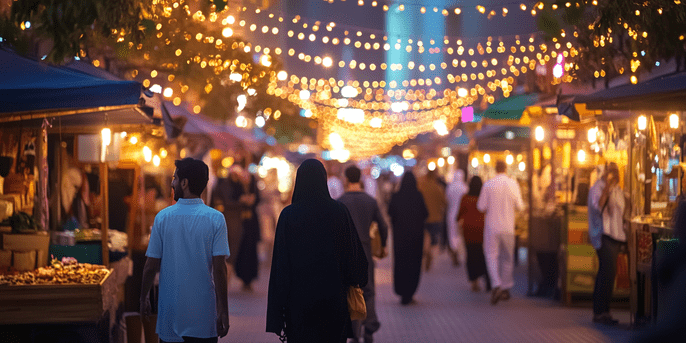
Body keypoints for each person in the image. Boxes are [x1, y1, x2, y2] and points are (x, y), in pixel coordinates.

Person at [266, 159, 368, 343]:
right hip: (333, 302)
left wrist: (277, 312)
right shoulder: (339, 212)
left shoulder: (288, 216)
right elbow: (354, 257)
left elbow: (280, 266)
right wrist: (357, 279)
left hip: (298, 306)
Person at [140, 158, 230, 343]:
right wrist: (223, 310)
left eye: (174, 178)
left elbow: (151, 266)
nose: (172, 184)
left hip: (170, 317)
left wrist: (143, 298)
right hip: (204, 317)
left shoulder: (163, 218)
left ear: (184, 182)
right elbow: (220, 269)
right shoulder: (216, 219)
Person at [338, 166, 389, 343]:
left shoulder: (340, 202)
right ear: (360, 179)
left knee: (349, 291)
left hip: (346, 253)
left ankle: (354, 331)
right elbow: (383, 225)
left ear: (346, 179)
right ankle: (370, 326)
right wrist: (383, 246)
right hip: (366, 251)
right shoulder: (370, 201)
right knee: (368, 291)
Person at [477, 160, 524, 305]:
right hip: (508, 228)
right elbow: (520, 206)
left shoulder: (488, 184)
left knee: (491, 256)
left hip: (492, 227)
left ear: (495, 169)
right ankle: (506, 287)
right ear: (506, 169)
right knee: (508, 258)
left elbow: (481, 206)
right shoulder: (513, 184)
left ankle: (496, 284)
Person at [588, 162, 626, 325]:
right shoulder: (598, 188)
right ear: (605, 173)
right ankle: (600, 312)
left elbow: (621, 210)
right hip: (604, 235)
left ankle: (603, 311)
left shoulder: (618, 189)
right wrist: (607, 187)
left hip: (616, 236)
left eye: (616, 171)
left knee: (608, 274)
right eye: (611, 171)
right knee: (607, 273)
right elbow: (599, 207)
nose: (614, 174)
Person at [388, 171, 429, 305]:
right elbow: (425, 214)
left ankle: (402, 292)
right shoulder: (418, 196)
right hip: (416, 238)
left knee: (401, 264)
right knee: (414, 265)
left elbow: (390, 213)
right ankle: (410, 293)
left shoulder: (396, 196)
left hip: (400, 238)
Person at [210, 165, 245, 286]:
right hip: (230, 221)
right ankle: (223, 283)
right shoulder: (227, 185)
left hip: (232, 220)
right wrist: (241, 201)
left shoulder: (236, 185)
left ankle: (224, 283)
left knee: (229, 253)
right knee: (228, 253)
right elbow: (226, 201)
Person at [458, 176, 491, 292]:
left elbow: (459, 213)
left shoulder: (465, 198)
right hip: (482, 230)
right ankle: (486, 279)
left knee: (471, 255)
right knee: (483, 254)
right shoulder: (484, 198)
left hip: (468, 231)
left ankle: (474, 281)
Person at [234, 168, 261, 292]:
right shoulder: (237, 187)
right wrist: (242, 200)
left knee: (251, 250)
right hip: (241, 222)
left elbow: (258, 199)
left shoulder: (253, 188)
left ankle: (250, 279)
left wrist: (252, 200)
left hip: (251, 224)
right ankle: (243, 278)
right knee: (242, 250)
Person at [417, 169, 448, 271]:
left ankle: (425, 250)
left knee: (425, 237)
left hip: (422, 218)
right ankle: (429, 251)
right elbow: (444, 202)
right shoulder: (438, 188)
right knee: (433, 239)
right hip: (435, 218)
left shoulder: (421, 187)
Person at [446, 169, 469, 266]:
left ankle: (454, 250)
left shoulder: (450, 187)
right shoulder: (465, 187)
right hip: (462, 215)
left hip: (451, 213)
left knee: (452, 234)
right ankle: (459, 253)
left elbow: (446, 200)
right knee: (460, 235)